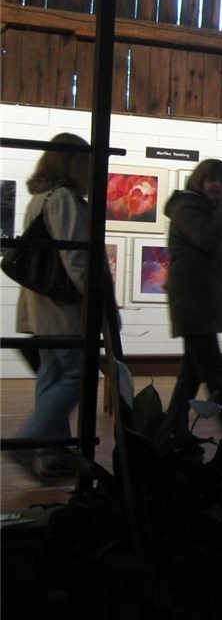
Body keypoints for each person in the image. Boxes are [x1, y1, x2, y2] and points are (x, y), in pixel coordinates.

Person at [10, 133, 90, 478]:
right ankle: (29, 442)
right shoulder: (64, 199)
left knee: (51, 377)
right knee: (74, 377)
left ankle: (53, 452)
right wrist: (97, 301)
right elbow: (76, 257)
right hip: (62, 308)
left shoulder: (40, 198)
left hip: (42, 307)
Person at [162, 158, 222, 438]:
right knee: (215, 374)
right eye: (212, 179)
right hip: (194, 306)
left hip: (200, 305)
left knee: (191, 375)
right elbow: (207, 237)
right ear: (199, 180)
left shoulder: (203, 210)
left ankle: (170, 434)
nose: (218, 185)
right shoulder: (186, 206)